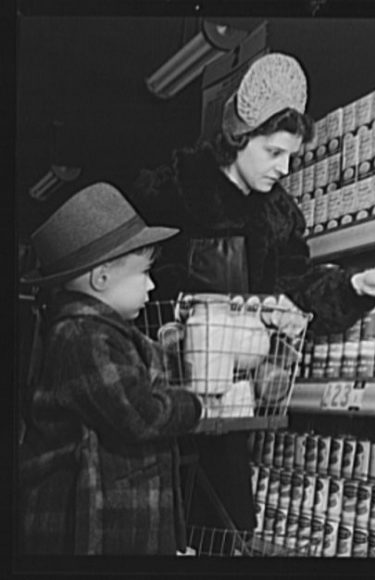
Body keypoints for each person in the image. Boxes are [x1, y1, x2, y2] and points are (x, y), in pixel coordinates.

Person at [128, 52, 375, 534]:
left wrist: (353, 286)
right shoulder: (177, 189)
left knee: (220, 521)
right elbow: (129, 269)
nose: (285, 168)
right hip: (159, 390)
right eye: (274, 152)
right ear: (240, 138)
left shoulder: (280, 217)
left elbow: (297, 285)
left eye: (292, 156)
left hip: (231, 396)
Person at [18, 182, 203, 555]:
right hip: (88, 521)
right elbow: (140, 414)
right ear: (100, 278)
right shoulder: (82, 336)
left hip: (112, 512)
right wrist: (195, 406)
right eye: (143, 273)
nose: (151, 285)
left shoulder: (100, 331)